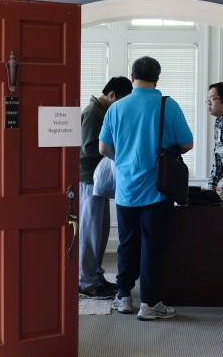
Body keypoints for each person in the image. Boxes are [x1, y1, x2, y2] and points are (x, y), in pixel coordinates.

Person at [99, 56, 193, 321]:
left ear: (131, 77)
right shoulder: (168, 105)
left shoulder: (116, 108)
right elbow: (187, 144)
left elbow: (103, 148)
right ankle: (150, 304)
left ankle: (124, 297)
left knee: (127, 243)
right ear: (157, 78)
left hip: (126, 189)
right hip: (158, 189)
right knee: (153, 246)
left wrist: (126, 159)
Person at [79, 76, 133, 300]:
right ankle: (85, 283)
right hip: (89, 180)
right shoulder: (93, 113)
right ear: (112, 95)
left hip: (98, 181)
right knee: (90, 233)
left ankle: (95, 275)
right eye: (121, 101)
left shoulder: (102, 112)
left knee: (100, 232)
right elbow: (90, 148)